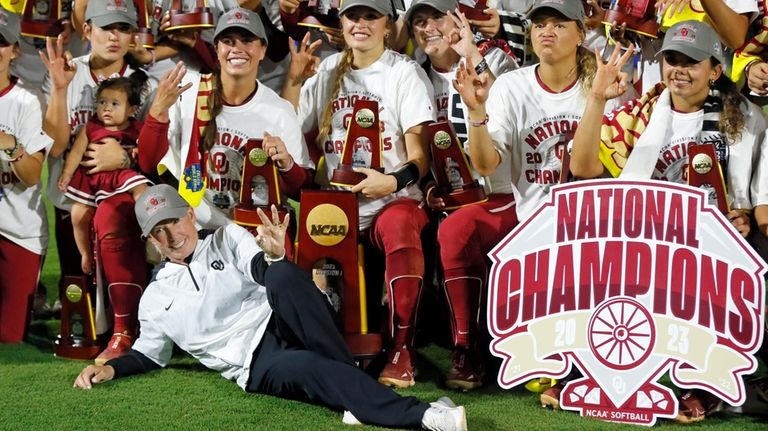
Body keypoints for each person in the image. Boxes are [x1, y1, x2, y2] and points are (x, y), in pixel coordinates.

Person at [72, 184, 468, 431]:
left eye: (174, 221)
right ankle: (423, 415)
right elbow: (148, 354)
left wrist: (276, 257)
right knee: (317, 370)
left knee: (281, 275)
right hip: (256, 362)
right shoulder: (155, 297)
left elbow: (263, 270)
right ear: (150, 239)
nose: (171, 235)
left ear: (191, 215)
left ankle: (355, 394)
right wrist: (110, 367)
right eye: (158, 231)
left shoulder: (226, 237)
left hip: (288, 317)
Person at [569, 20, 765, 422]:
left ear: (714, 70)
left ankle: (705, 385)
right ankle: (597, 369)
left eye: (691, 62)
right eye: (671, 59)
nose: (678, 69)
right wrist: (596, 100)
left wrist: (742, 216)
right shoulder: (641, 111)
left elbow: (755, 201)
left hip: (717, 243)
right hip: (650, 239)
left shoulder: (747, 118)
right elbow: (582, 166)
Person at [284, 0, 436, 388]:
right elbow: (286, 130)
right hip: (340, 207)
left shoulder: (404, 73)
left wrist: (393, 181)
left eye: (371, 16)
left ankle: (403, 348)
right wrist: (295, 80)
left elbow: (421, 155)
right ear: (342, 22)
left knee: (400, 221)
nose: (361, 24)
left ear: (388, 25)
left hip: (393, 200)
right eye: (353, 16)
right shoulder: (329, 71)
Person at [405, 0, 517, 390]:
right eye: (418, 21)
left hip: (497, 192)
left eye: (436, 17)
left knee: (460, 228)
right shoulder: (414, 75)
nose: (427, 27)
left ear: (458, 19)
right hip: (442, 197)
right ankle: (452, 340)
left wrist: (473, 55)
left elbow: (508, 103)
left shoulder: (495, 60)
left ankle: (475, 344)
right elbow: (412, 149)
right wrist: (430, 188)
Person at [40, 0, 157, 364]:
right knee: (82, 312)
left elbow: (154, 153)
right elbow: (58, 145)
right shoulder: (65, 72)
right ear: (87, 30)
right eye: (107, 28)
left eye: (123, 29)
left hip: (118, 202)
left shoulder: (144, 84)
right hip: (73, 204)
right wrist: (59, 90)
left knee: (124, 304)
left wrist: (125, 157)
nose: (115, 36)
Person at [138, 7, 313, 229]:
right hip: (195, 228)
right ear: (217, 49)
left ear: (262, 50)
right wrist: (157, 114)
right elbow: (148, 163)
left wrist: (287, 164)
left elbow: (300, 190)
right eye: (228, 41)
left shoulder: (280, 111)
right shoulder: (188, 93)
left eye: (247, 41)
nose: (237, 49)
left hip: (252, 232)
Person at [58, 77, 152, 275]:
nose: (107, 108)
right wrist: (66, 174)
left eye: (115, 104)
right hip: (93, 179)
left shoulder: (137, 128)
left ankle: (148, 228)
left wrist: (135, 152)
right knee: (77, 214)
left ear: (132, 110)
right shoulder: (91, 127)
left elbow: (146, 152)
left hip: (121, 175)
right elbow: (76, 152)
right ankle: (84, 253)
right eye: (102, 102)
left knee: (141, 187)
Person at [0, 7, 54, 343]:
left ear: (15, 50)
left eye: (0, 44)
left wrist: (9, 146)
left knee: (9, 337)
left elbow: (32, 175)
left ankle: (29, 298)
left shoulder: (26, 101)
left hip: (17, 231)